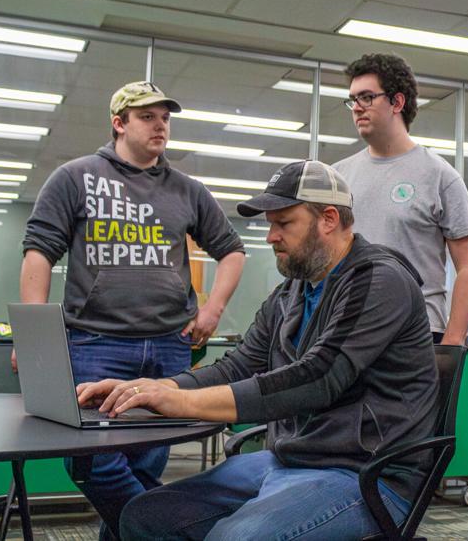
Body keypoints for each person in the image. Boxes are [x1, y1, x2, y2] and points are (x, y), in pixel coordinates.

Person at [76, 160, 439, 541]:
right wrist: (158, 387)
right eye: (270, 224)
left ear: (329, 218)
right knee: (141, 516)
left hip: (365, 475)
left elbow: (319, 378)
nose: (270, 237)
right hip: (291, 459)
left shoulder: (379, 281)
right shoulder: (293, 291)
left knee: (234, 539)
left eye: (284, 223)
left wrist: (183, 404)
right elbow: (241, 365)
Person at [19, 81, 245, 539]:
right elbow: (39, 252)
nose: (160, 125)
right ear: (119, 123)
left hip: (168, 347)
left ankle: (135, 530)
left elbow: (233, 251)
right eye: (147, 116)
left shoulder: (187, 190)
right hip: (94, 343)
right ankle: (159, 529)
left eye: (165, 118)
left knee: (146, 460)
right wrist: (32, 337)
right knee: (91, 462)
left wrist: (213, 309)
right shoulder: (75, 176)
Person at [333, 53, 468, 346]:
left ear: (397, 103)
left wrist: (452, 339)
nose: (357, 108)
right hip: (346, 329)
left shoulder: (440, 176)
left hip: (415, 333)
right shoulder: (339, 177)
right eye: (353, 100)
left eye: (367, 97)